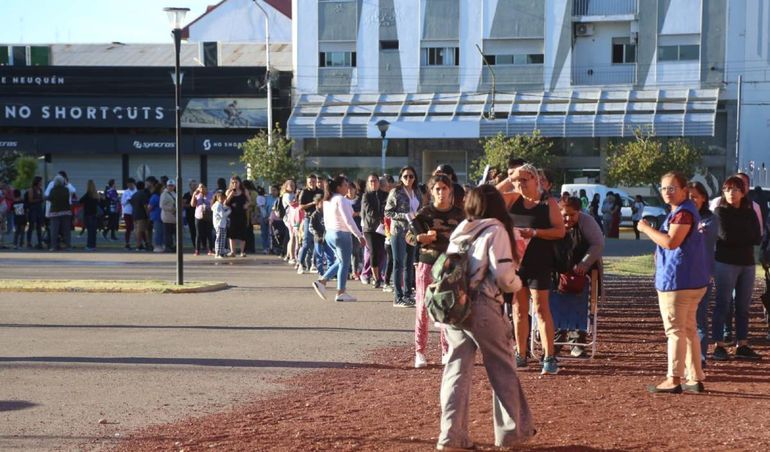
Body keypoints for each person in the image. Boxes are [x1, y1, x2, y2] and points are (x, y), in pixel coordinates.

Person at [437, 184, 534, 450]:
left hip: (455, 307)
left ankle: (451, 436)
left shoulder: (461, 230)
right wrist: (518, 284)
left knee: (456, 370)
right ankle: (510, 435)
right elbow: (503, 276)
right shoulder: (496, 230)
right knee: (502, 369)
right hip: (483, 305)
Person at [638, 171, 709, 394]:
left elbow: (671, 242)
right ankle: (694, 377)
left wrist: (646, 229)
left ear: (684, 190)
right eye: (663, 188)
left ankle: (673, 378)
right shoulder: (686, 211)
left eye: (672, 188)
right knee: (688, 329)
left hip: (679, 281)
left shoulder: (683, 214)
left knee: (675, 330)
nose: (667, 192)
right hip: (692, 279)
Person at [496, 163, 566, 375]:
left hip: (539, 263)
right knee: (518, 310)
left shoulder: (548, 203)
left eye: (524, 180)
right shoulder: (513, 198)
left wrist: (535, 232)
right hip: (517, 264)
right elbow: (490, 194)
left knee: (541, 309)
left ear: (536, 180)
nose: (519, 184)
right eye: (517, 180)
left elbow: (560, 231)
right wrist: (511, 178)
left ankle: (549, 356)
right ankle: (521, 353)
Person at [411, 173, 465, 368]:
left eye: (444, 188)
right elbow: (410, 235)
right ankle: (420, 351)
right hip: (427, 263)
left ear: (450, 190)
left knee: (447, 307)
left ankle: (445, 349)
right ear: (432, 192)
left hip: (450, 265)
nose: (441, 192)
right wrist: (420, 238)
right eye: (437, 189)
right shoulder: (424, 213)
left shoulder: (460, 215)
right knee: (423, 307)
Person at [711, 176, 762, 361]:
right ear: (723, 192)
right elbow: (725, 236)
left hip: (747, 264)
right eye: (728, 189)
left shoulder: (750, 212)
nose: (731, 193)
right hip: (725, 262)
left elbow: (757, 236)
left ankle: (742, 344)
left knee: (743, 306)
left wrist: (741, 237)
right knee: (723, 304)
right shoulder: (719, 211)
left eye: (736, 189)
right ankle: (719, 345)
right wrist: (743, 237)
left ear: (743, 192)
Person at [555, 196, 605, 358]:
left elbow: (598, 244)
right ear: (558, 212)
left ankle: (577, 340)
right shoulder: (552, 221)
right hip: (559, 268)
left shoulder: (587, 222)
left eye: (573, 215)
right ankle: (556, 336)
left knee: (580, 300)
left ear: (579, 213)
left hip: (583, 270)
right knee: (555, 299)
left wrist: (584, 263)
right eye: (565, 215)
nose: (568, 218)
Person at [311, 175, 366, 303]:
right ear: (339, 187)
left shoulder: (327, 200)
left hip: (330, 234)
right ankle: (340, 291)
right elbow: (349, 220)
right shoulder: (341, 199)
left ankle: (323, 282)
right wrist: (359, 235)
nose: (348, 187)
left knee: (341, 261)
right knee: (344, 263)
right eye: (345, 185)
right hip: (342, 234)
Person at [686, 181, 718, 366]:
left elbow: (704, 238)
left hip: (702, 275)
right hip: (681, 276)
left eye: (695, 196)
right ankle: (685, 357)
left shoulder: (710, 219)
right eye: (688, 197)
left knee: (699, 318)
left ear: (703, 198)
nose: (691, 200)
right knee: (681, 320)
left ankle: (700, 358)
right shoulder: (679, 216)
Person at [385, 166, 422, 307]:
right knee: (398, 263)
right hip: (398, 231)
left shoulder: (417, 192)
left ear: (415, 178)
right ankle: (398, 296)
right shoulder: (396, 192)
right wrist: (405, 216)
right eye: (405, 176)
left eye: (411, 176)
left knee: (409, 264)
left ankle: (407, 295)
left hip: (412, 233)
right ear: (400, 178)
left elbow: (420, 209)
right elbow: (388, 212)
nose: (408, 179)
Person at [361, 173, 388, 289]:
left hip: (382, 228)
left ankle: (380, 275)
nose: (373, 183)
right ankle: (376, 278)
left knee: (382, 252)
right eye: (371, 181)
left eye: (375, 181)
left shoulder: (385, 195)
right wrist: (382, 217)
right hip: (370, 228)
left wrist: (386, 218)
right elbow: (369, 211)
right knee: (373, 252)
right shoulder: (366, 195)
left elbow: (389, 207)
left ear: (379, 182)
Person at [297, 174, 323, 273]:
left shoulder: (320, 191)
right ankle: (300, 263)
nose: (312, 184)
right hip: (309, 217)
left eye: (314, 181)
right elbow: (300, 207)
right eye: (310, 182)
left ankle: (314, 264)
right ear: (307, 183)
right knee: (307, 242)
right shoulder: (304, 192)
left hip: (319, 218)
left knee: (318, 241)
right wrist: (312, 203)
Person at [308, 194, 335, 276]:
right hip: (318, 239)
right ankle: (321, 272)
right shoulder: (314, 215)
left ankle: (330, 273)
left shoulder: (329, 213)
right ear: (317, 204)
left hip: (328, 237)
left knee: (330, 255)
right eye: (321, 203)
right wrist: (316, 234)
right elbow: (311, 227)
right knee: (319, 256)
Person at [225, 176, 251, 257]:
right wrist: (231, 195)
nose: (234, 184)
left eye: (236, 182)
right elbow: (225, 203)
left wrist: (247, 205)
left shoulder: (244, 191)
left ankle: (242, 251)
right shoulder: (229, 191)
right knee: (232, 234)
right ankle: (233, 251)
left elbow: (250, 201)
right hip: (232, 215)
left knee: (242, 233)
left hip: (242, 214)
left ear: (239, 183)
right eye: (232, 183)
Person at [47, 175, 72, 251]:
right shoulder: (66, 190)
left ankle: (54, 246)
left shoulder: (52, 190)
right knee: (66, 230)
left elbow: (50, 198)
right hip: (65, 211)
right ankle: (67, 245)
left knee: (54, 230)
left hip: (55, 211)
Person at [191, 183, 214, 256]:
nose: (201, 189)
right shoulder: (197, 195)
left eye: (203, 187)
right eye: (200, 188)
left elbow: (213, 204)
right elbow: (192, 205)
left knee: (209, 233)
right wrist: (194, 195)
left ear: (206, 188)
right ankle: (197, 250)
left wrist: (208, 206)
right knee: (198, 234)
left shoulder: (211, 194)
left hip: (208, 216)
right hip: (198, 216)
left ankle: (210, 249)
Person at [78, 180, 101, 251]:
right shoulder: (96, 195)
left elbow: (80, 201)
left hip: (88, 215)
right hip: (94, 215)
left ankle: (89, 246)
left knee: (90, 232)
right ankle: (93, 245)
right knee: (93, 232)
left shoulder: (87, 195)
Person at [24, 177, 44, 249]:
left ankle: (39, 242)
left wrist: (41, 199)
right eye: (41, 182)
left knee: (39, 227)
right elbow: (30, 200)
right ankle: (29, 242)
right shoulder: (31, 190)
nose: (41, 183)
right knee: (31, 226)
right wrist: (40, 200)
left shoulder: (40, 190)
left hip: (39, 209)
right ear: (37, 182)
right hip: (32, 210)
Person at [129, 181, 150, 251]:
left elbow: (131, 203)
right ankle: (139, 245)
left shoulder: (134, 195)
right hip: (142, 215)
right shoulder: (143, 194)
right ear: (143, 186)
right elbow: (145, 206)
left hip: (134, 214)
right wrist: (148, 214)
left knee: (136, 230)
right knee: (140, 231)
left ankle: (139, 244)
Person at [160, 179, 177, 252]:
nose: (170, 187)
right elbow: (161, 205)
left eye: (172, 185)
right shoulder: (164, 194)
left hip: (174, 217)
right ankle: (168, 247)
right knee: (168, 233)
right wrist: (171, 208)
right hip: (167, 216)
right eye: (169, 185)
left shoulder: (174, 193)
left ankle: (173, 246)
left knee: (173, 233)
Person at [212, 191, 231, 259]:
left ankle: (221, 252)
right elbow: (222, 215)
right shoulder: (218, 205)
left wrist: (226, 208)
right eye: (222, 198)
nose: (223, 200)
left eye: (224, 199)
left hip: (221, 224)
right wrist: (229, 211)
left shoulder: (219, 205)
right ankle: (218, 253)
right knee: (219, 239)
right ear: (218, 198)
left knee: (222, 239)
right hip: (219, 225)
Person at [148, 179, 164, 253]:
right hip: (156, 217)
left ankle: (161, 245)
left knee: (161, 232)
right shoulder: (155, 196)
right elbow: (150, 207)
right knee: (157, 232)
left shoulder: (161, 196)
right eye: (163, 188)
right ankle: (157, 246)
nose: (164, 189)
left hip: (162, 217)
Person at [182, 179, 198, 249]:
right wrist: (191, 205)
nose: (194, 186)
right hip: (190, 216)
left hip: (199, 215)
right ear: (190, 186)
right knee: (193, 231)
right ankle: (195, 245)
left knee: (199, 231)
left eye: (195, 185)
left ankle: (201, 245)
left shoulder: (199, 194)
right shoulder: (186, 195)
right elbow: (183, 204)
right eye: (193, 185)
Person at [121, 178, 137, 250]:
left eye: (131, 184)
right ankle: (127, 243)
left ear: (134, 184)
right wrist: (128, 199)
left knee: (137, 228)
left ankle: (139, 243)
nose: (130, 186)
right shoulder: (125, 192)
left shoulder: (136, 191)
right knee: (128, 228)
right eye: (128, 184)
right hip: (127, 212)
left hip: (136, 212)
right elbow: (122, 203)